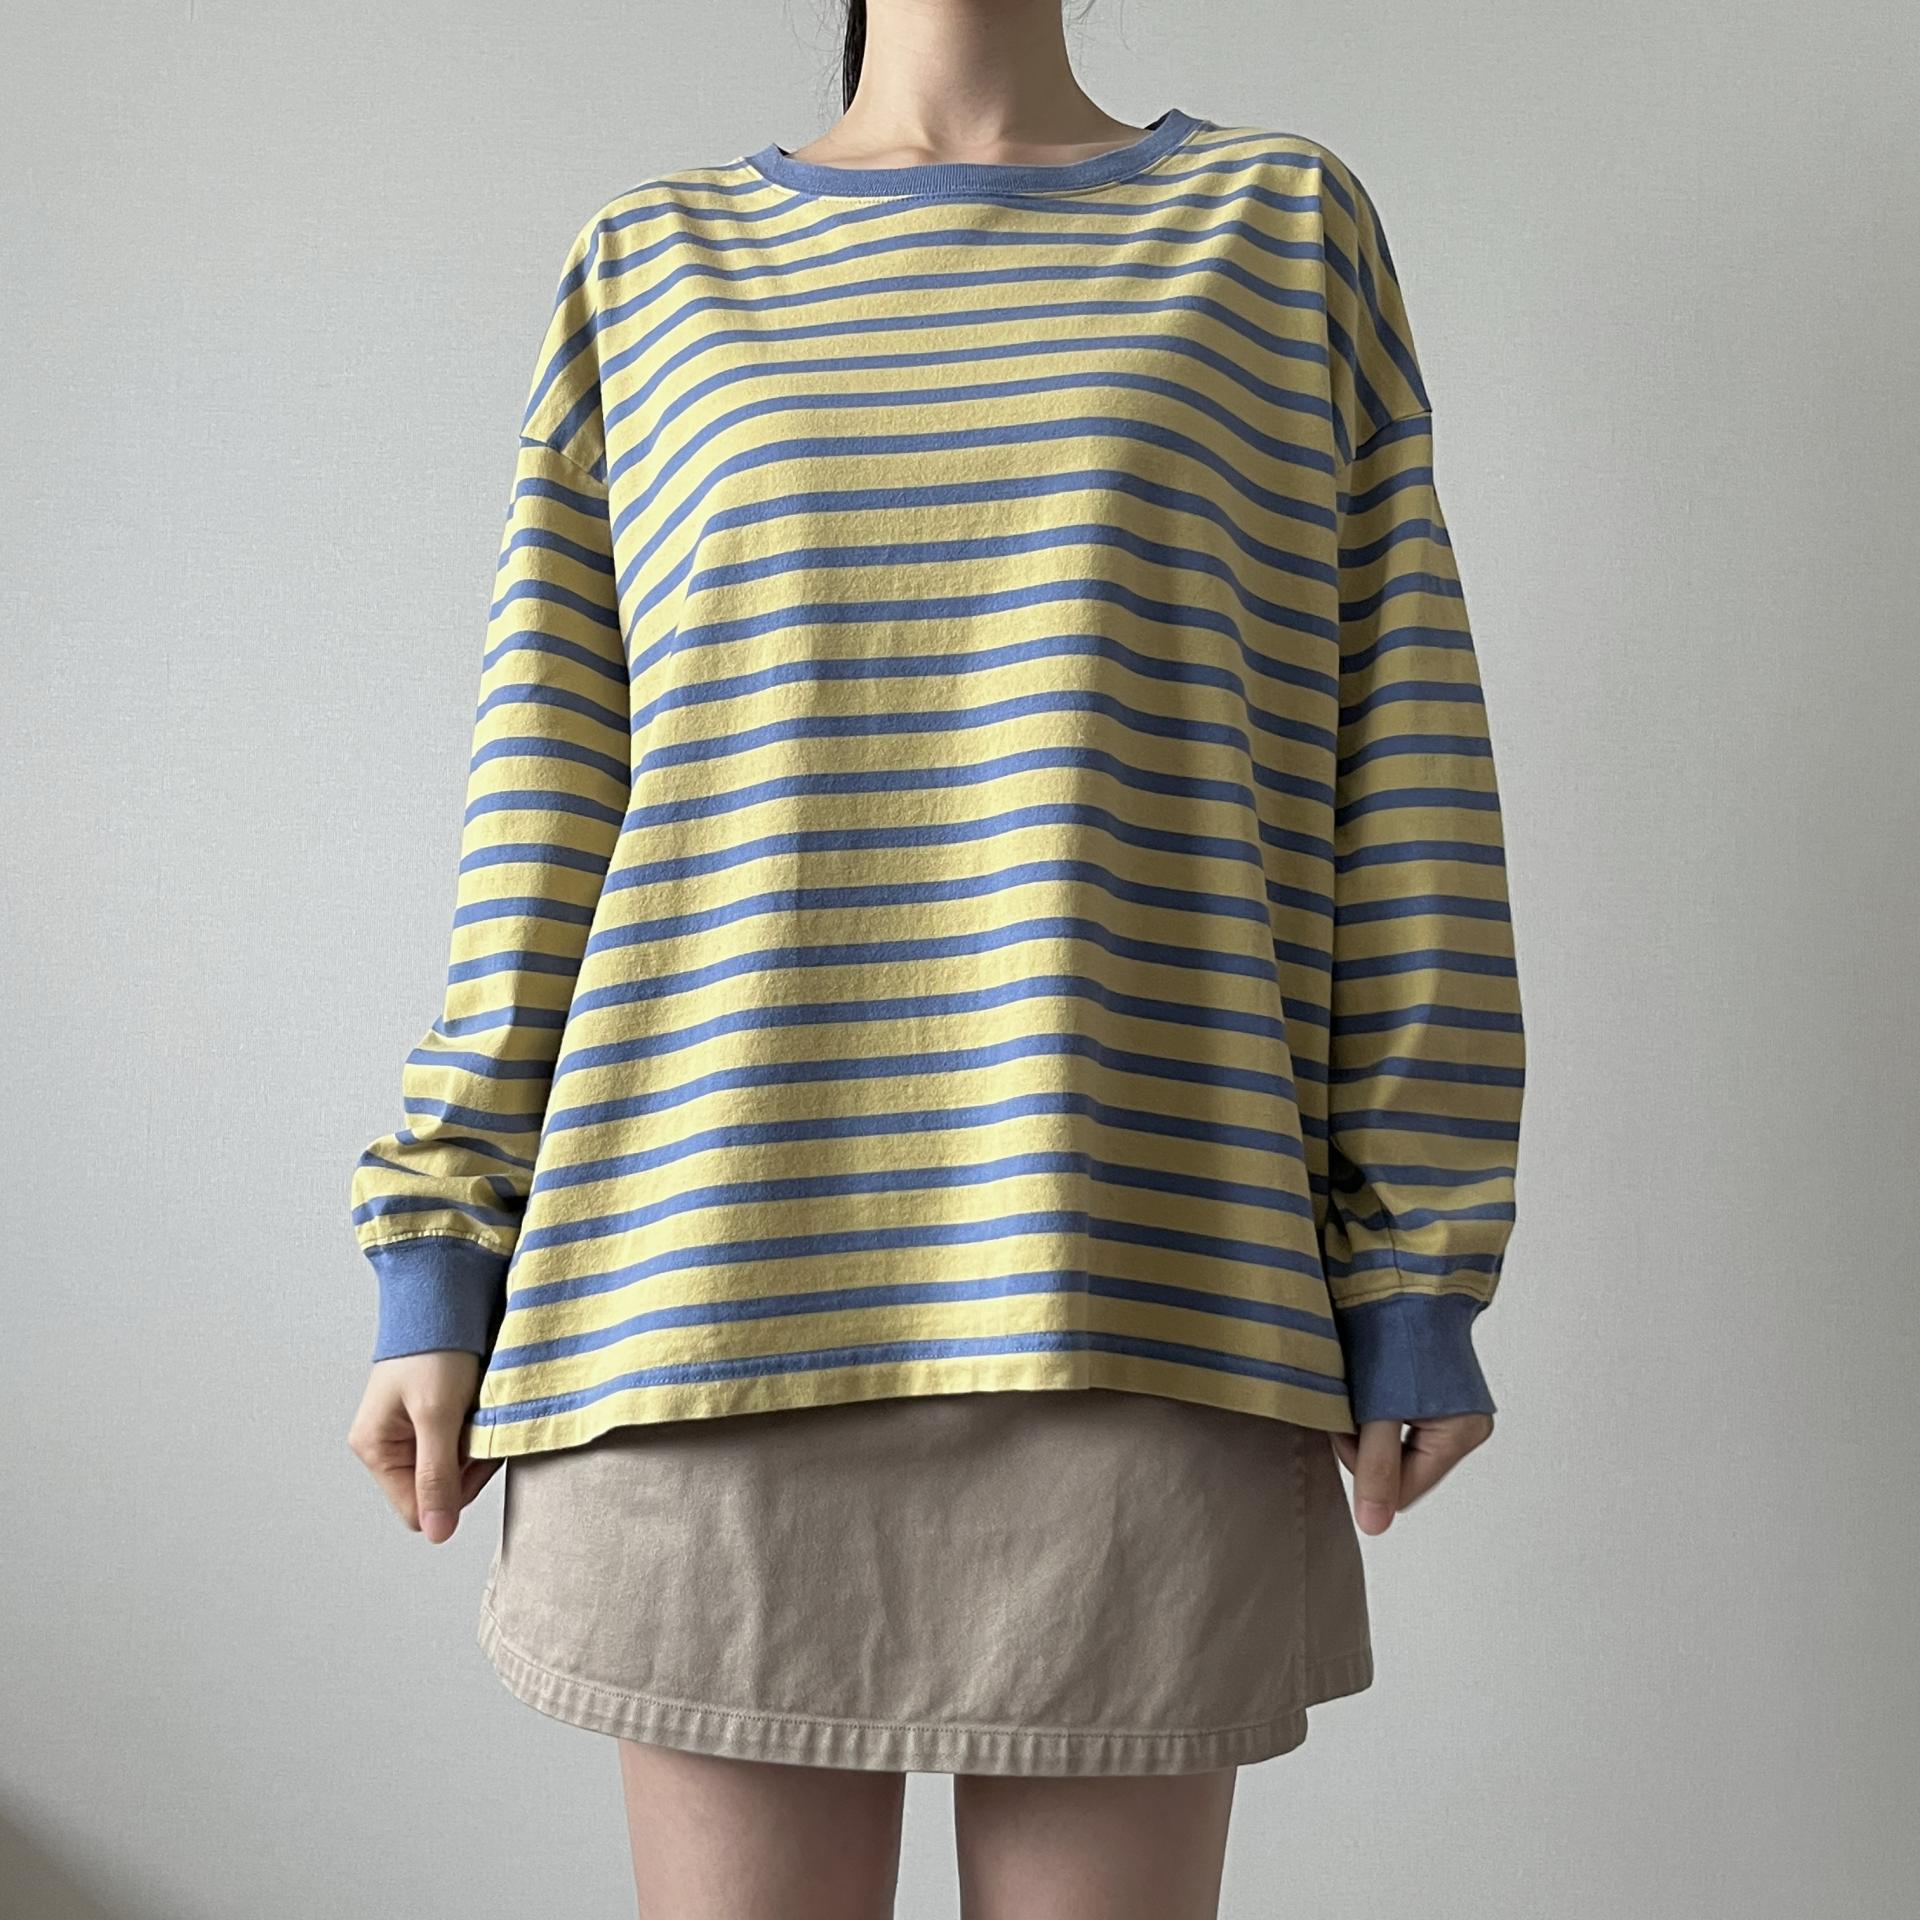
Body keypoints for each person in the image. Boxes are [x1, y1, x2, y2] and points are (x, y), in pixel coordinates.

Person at [345, 3, 1525, 1914]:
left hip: (1145, 1296)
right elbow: (546, 804)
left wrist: (1415, 1264)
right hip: (696, 1308)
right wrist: (440, 1250)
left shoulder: (1280, 232)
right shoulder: (652, 262)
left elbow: (1403, 774)